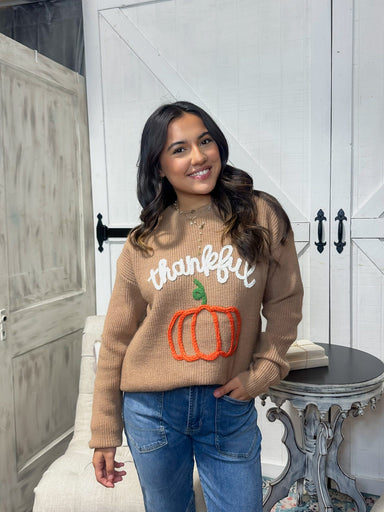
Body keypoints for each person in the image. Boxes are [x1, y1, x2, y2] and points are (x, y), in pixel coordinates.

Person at [90, 101, 303, 512]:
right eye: (180, 149)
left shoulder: (261, 215)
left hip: (228, 402)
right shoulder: (143, 241)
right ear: (159, 165)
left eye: (205, 141)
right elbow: (116, 339)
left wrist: (264, 370)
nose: (199, 156)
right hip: (151, 410)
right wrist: (104, 431)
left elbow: (286, 303)